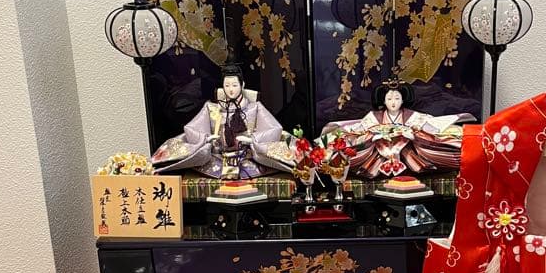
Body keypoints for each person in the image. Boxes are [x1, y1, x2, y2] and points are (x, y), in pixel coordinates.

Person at [151, 64, 285, 179]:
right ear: (222, 86)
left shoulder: (255, 108)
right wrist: (205, 138)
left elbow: (274, 129)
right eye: (227, 85)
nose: (231, 89)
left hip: (247, 158)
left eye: (234, 85)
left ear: (242, 85)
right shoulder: (212, 108)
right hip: (218, 159)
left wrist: (253, 140)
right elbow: (191, 128)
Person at [321, 81, 474, 179]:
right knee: (344, 148)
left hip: (408, 156)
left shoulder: (411, 115)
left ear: (403, 100)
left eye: (397, 98)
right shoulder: (374, 116)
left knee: (436, 143)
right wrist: (371, 138)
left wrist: (414, 136)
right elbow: (357, 132)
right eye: (389, 99)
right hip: (378, 156)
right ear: (383, 100)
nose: (393, 102)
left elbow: (431, 130)